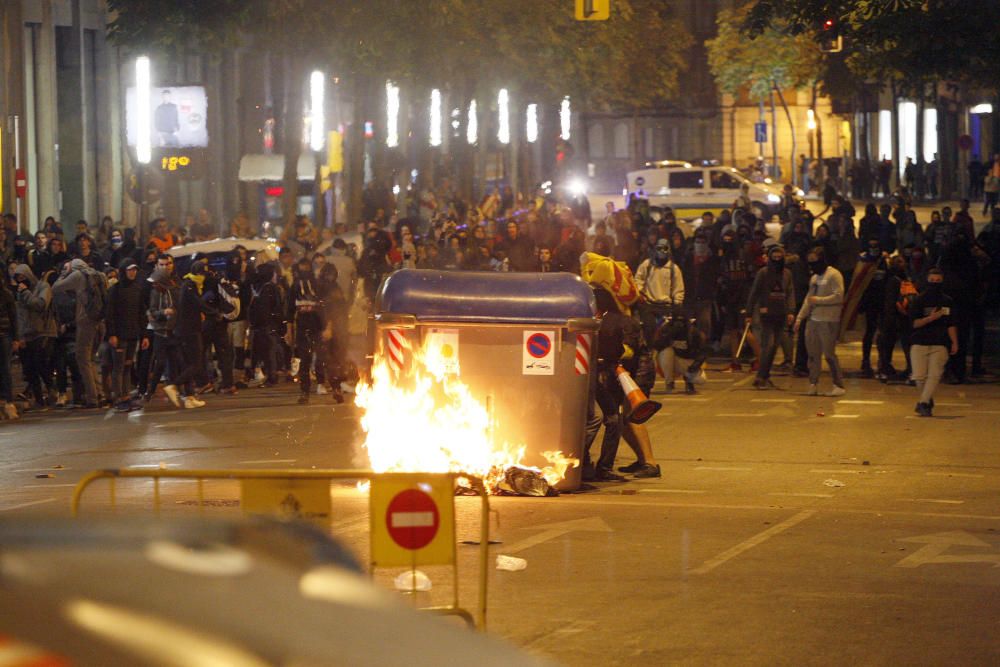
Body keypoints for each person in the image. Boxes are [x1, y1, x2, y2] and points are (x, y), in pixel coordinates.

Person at [581, 287, 638, 482]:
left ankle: (584, 462)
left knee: (603, 419)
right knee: (609, 419)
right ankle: (597, 465)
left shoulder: (599, 321)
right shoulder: (612, 320)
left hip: (594, 377)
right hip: (600, 377)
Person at [52, 259, 106, 408]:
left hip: (86, 321)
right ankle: (100, 393)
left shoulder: (77, 275)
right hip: (100, 321)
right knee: (90, 359)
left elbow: (55, 287)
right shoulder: (99, 274)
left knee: (82, 358)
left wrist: (63, 273)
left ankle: (92, 398)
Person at [794, 246, 846, 397]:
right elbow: (808, 299)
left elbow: (839, 296)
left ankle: (838, 384)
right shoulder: (814, 278)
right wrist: (800, 317)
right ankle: (813, 383)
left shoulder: (834, 275)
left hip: (829, 320)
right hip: (813, 320)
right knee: (812, 355)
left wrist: (820, 300)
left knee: (829, 354)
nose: (812, 265)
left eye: (814, 261)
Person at [908, 268, 958, 417]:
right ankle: (927, 400)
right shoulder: (918, 300)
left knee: (934, 374)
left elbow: (951, 323)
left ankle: (923, 403)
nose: (934, 283)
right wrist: (931, 318)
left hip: (940, 342)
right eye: (932, 280)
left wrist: (954, 342)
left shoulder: (947, 301)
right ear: (927, 280)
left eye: (938, 281)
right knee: (919, 376)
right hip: (919, 342)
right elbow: (914, 324)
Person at [747, 242, 795, 389]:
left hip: (781, 313)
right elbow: (754, 293)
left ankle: (765, 375)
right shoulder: (763, 273)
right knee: (768, 346)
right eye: (774, 257)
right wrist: (749, 312)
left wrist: (791, 311)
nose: (777, 259)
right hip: (767, 314)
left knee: (774, 347)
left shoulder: (787, 274)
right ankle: (761, 376)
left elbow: (790, 293)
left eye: (779, 257)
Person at [13, 264, 57, 409]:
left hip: (44, 332)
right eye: (17, 278)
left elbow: (40, 304)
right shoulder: (19, 293)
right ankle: (39, 399)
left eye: (22, 277)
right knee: (30, 368)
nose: (20, 281)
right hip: (28, 334)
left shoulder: (43, 287)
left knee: (41, 364)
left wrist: (26, 293)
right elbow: (20, 315)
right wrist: (20, 337)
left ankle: (52, 389)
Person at [106, 259, 145, 410]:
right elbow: (110, 314)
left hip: (133, 334)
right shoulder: (115, 290)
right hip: (120, 335)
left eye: (134, 270)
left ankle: (126, 396)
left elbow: (141, 313)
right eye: (129, 270)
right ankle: (119, 398)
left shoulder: (137, 288)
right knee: (119, 367)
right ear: (123, 271)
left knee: (128, 365)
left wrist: (144, 335)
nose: (132, 273)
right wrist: (112, 334)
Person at [0, 277, 18, 419]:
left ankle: (9, 402)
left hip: (4, 335)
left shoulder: (6, 294)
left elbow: (13, 317)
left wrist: (16, 338)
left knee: (5, 368)